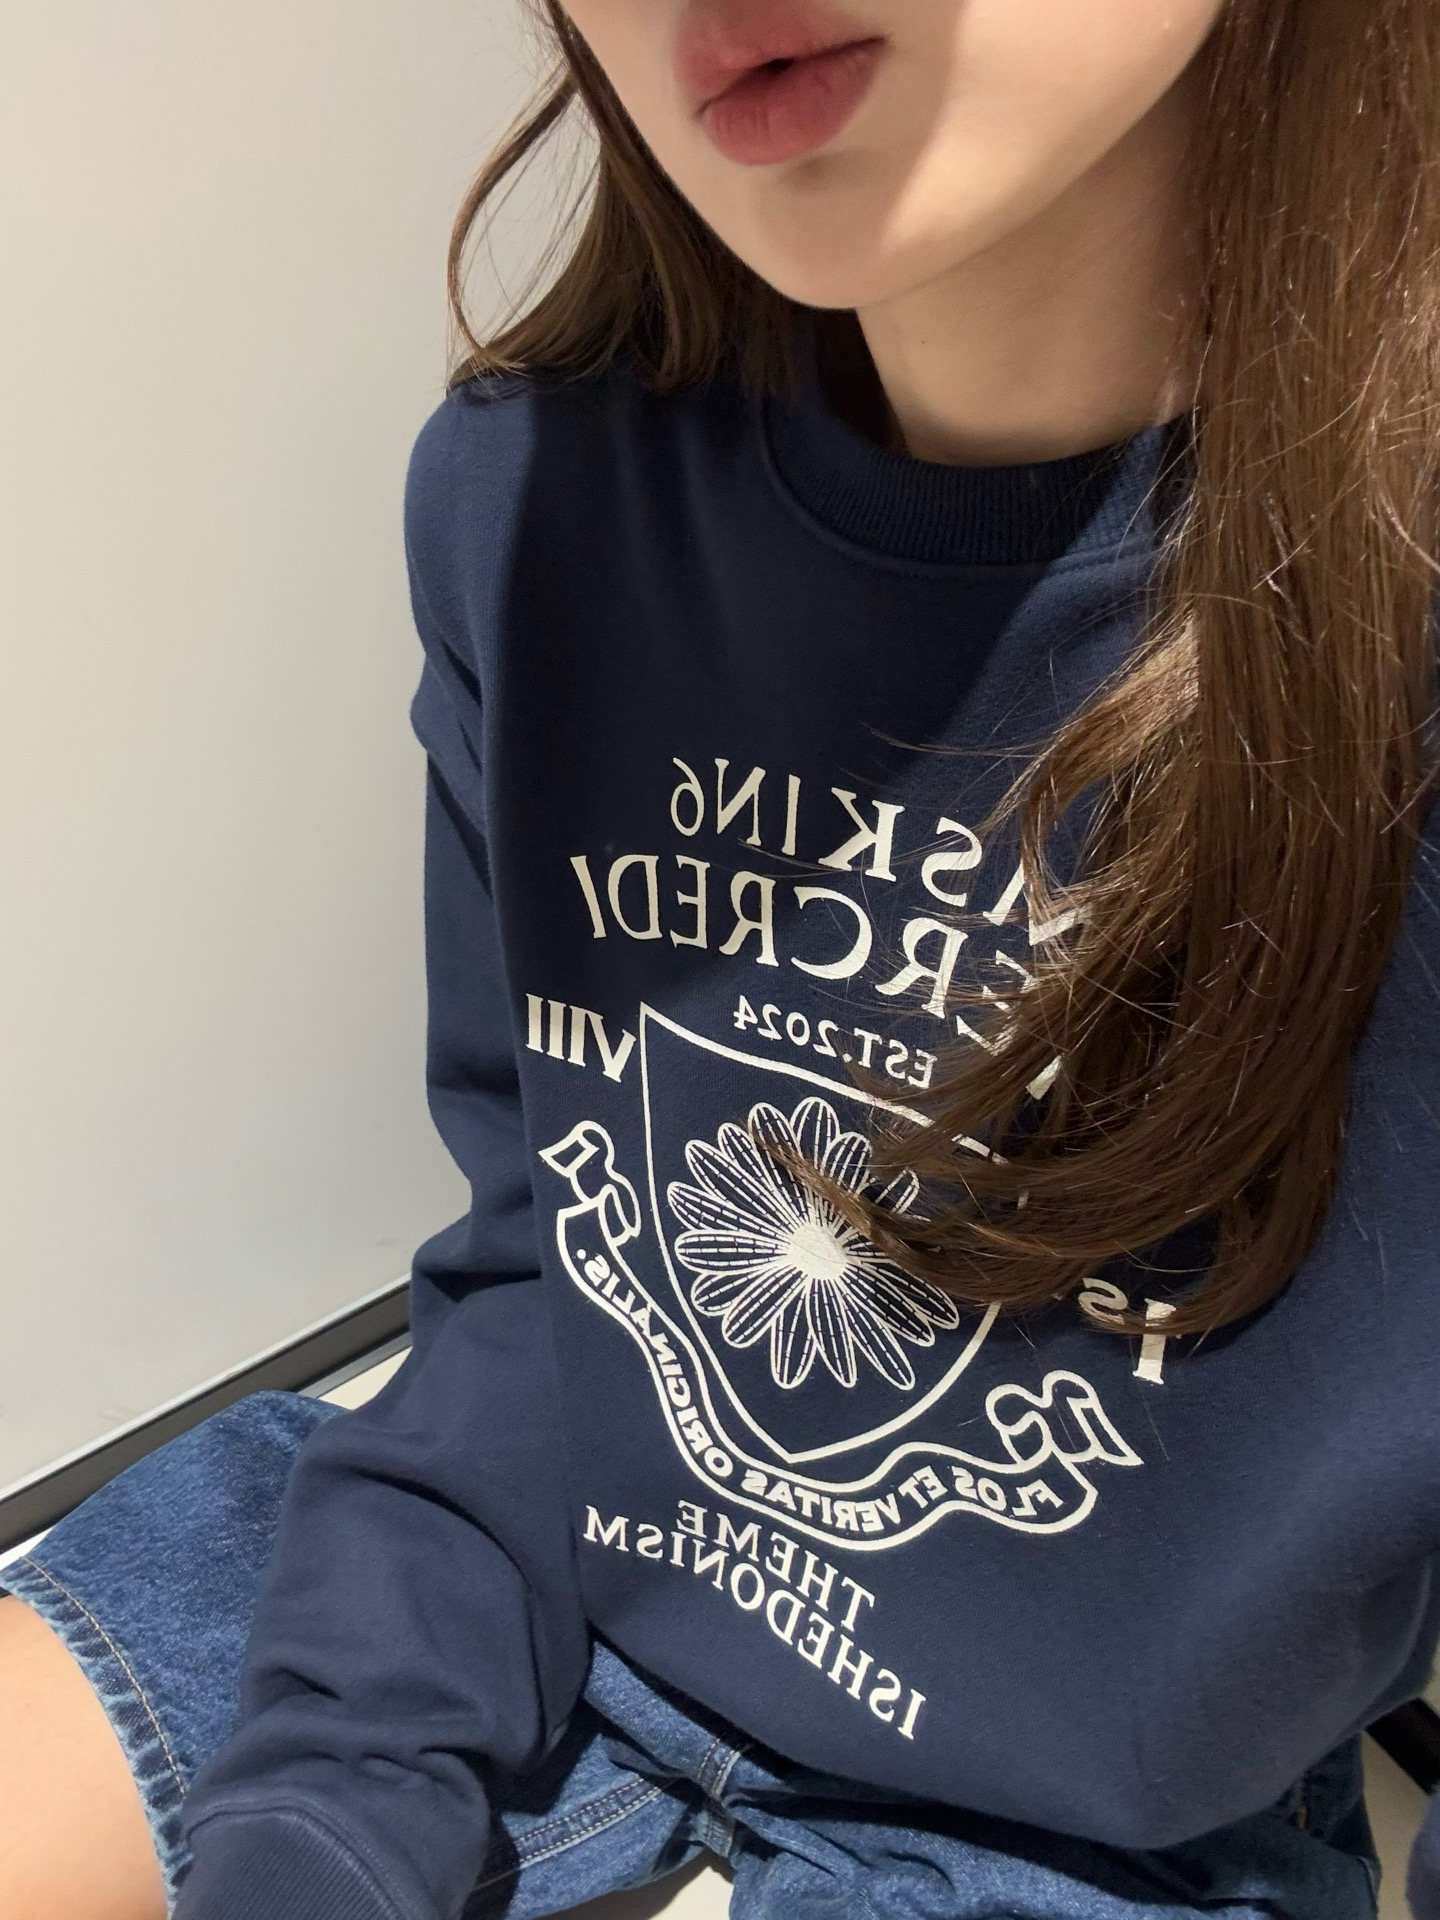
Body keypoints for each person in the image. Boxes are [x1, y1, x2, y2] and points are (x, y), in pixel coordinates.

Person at [3, 0, 1438, 1915]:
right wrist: (330, 1799)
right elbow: (543, 1255)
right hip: (500, 1547)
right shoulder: (528, 498)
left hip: (1099, 1816)